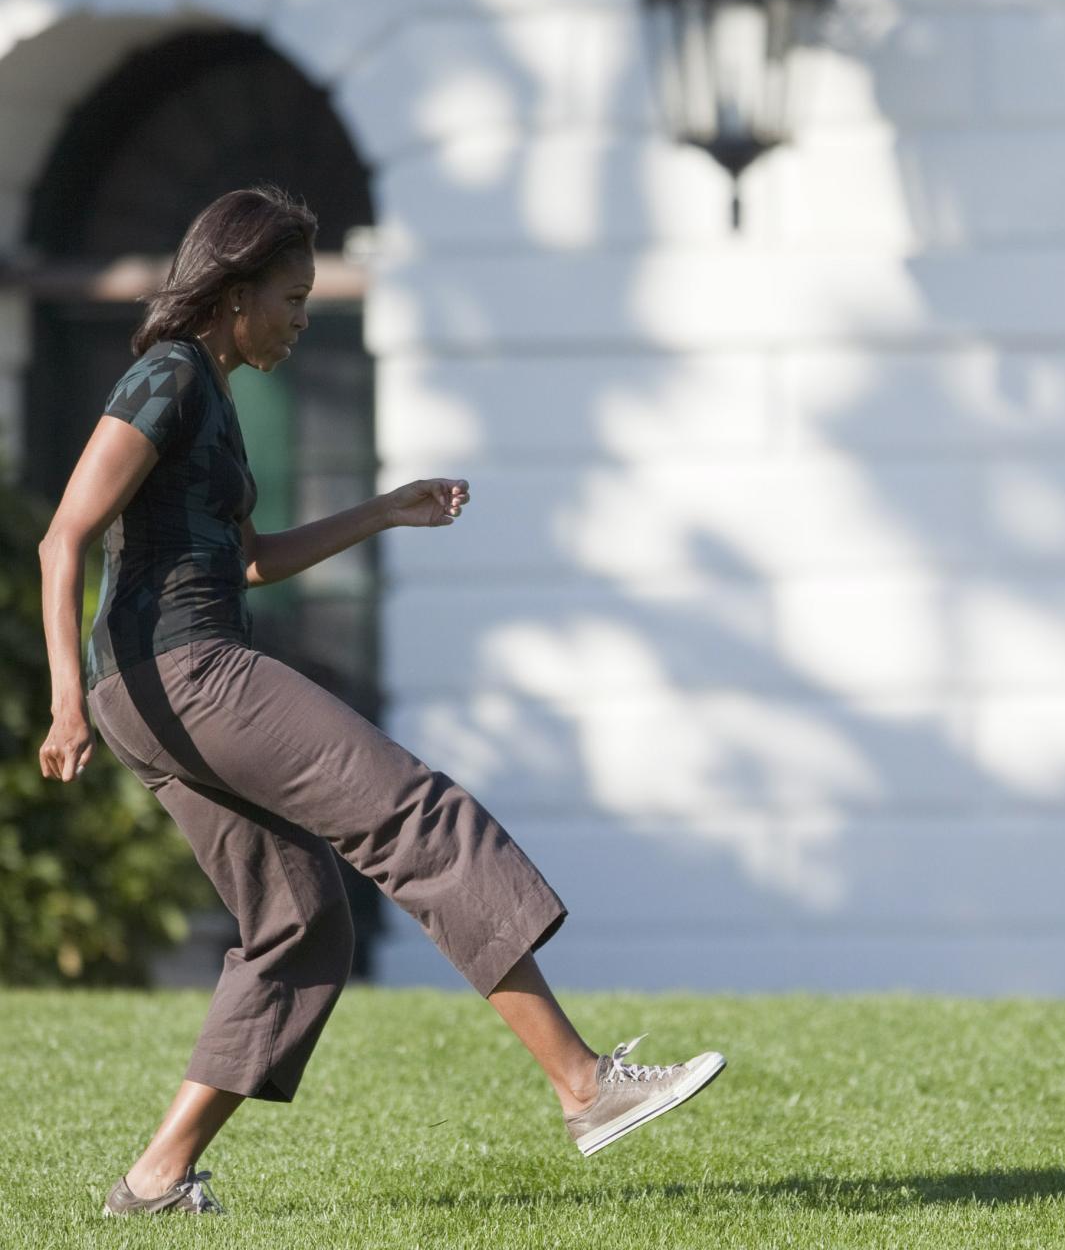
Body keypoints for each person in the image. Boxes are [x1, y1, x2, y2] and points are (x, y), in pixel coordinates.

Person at [36, 186, 723, 1217]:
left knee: (302, 921)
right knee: (414, 812)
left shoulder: (207, 391)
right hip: (184, 670)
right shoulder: (170, 371)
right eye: (292, 296)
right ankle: (583, 1084)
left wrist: (386, 512)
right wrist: (63, 703)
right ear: (232, 291)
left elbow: (253, 560)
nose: (304, 316)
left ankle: (155, 1177)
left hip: (156, 684)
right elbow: (63, 536)